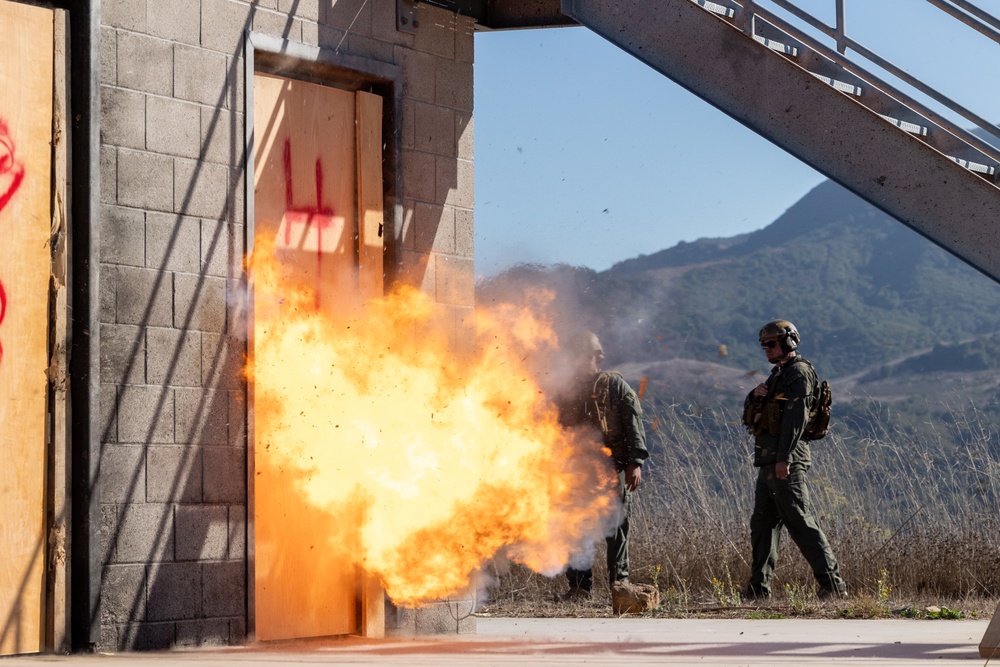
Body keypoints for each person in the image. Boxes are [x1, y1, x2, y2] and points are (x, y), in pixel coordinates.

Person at [742, 320, 848, 600]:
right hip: (767, 460)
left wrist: (784, 458)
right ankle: (757, 590)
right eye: (764, 344)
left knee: (800, 520)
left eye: (772, 343)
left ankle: (833, 586)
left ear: (789, 342)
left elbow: (795, 419)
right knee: (762, 525)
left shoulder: (799, 373)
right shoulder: (778, 375)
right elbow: (753, 416)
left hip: (785, 460)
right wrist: (755, 395)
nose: (767, 348)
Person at [557, 331, 649, 600]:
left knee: (616, 524)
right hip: (578, 469)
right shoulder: (567, 389)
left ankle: (619, 584)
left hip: (613, 466)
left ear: (596, 357)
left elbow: (634, 424)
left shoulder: (615, 386)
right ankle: (578, 588)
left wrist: (636, 462)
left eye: (585, 355)